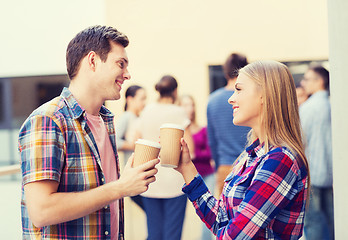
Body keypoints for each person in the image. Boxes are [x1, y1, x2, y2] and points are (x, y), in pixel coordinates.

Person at [18, 25, 159, 240]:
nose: (127, 74)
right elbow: (41, 211)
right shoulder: (48, 119)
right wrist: (120, 187)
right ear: (92, 61)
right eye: (120, 64)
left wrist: (126, 182)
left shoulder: (106, 120)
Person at [176, 60, 310, 239]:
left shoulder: (280, 160)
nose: (231, 98)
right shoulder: (250, 156)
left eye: (238, 89)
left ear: (264, 95)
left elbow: (234, 237)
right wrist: (187, 168)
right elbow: (220, 221)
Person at [135, 75, 194, 240]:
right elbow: (191, 147)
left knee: (154, 233)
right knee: (172, 234)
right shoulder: (179, 112)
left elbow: (136, 137)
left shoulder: (146, 111)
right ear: (175, 91)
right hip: (175, 183)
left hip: (150, 180)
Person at [207, 53, 250, 197]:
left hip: (225, 166)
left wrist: (218, 166)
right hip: (251, 165)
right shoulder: (250, 98)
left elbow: (212, 140)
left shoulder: (213, 100)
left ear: (225, 72)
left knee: (225, 214)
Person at [300, 65, 334, 240]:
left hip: (311, 173)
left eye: (307, 79)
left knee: (312, 222)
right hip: (332, 174)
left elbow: (299, 140)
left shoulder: (308, 108)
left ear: (319, 81)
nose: (303, 83)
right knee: (332, 220)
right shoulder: (333, 105)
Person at [179, 95, 215, 240]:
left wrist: (192, 154)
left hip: (207, 175)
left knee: (208, 212)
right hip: (187, 177)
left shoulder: (203, 129)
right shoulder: (178, 132)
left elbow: (210, 152)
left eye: (191, 105)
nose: (190, 108)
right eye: (185, 105)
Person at [116, 85, 147, 210]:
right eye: (142, 99)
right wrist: (136, 145)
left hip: (140, 173)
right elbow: (114, 141)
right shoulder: (126, 117)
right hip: (133, 175)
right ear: (129, 99)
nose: (144, 103)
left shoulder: (138, 118)